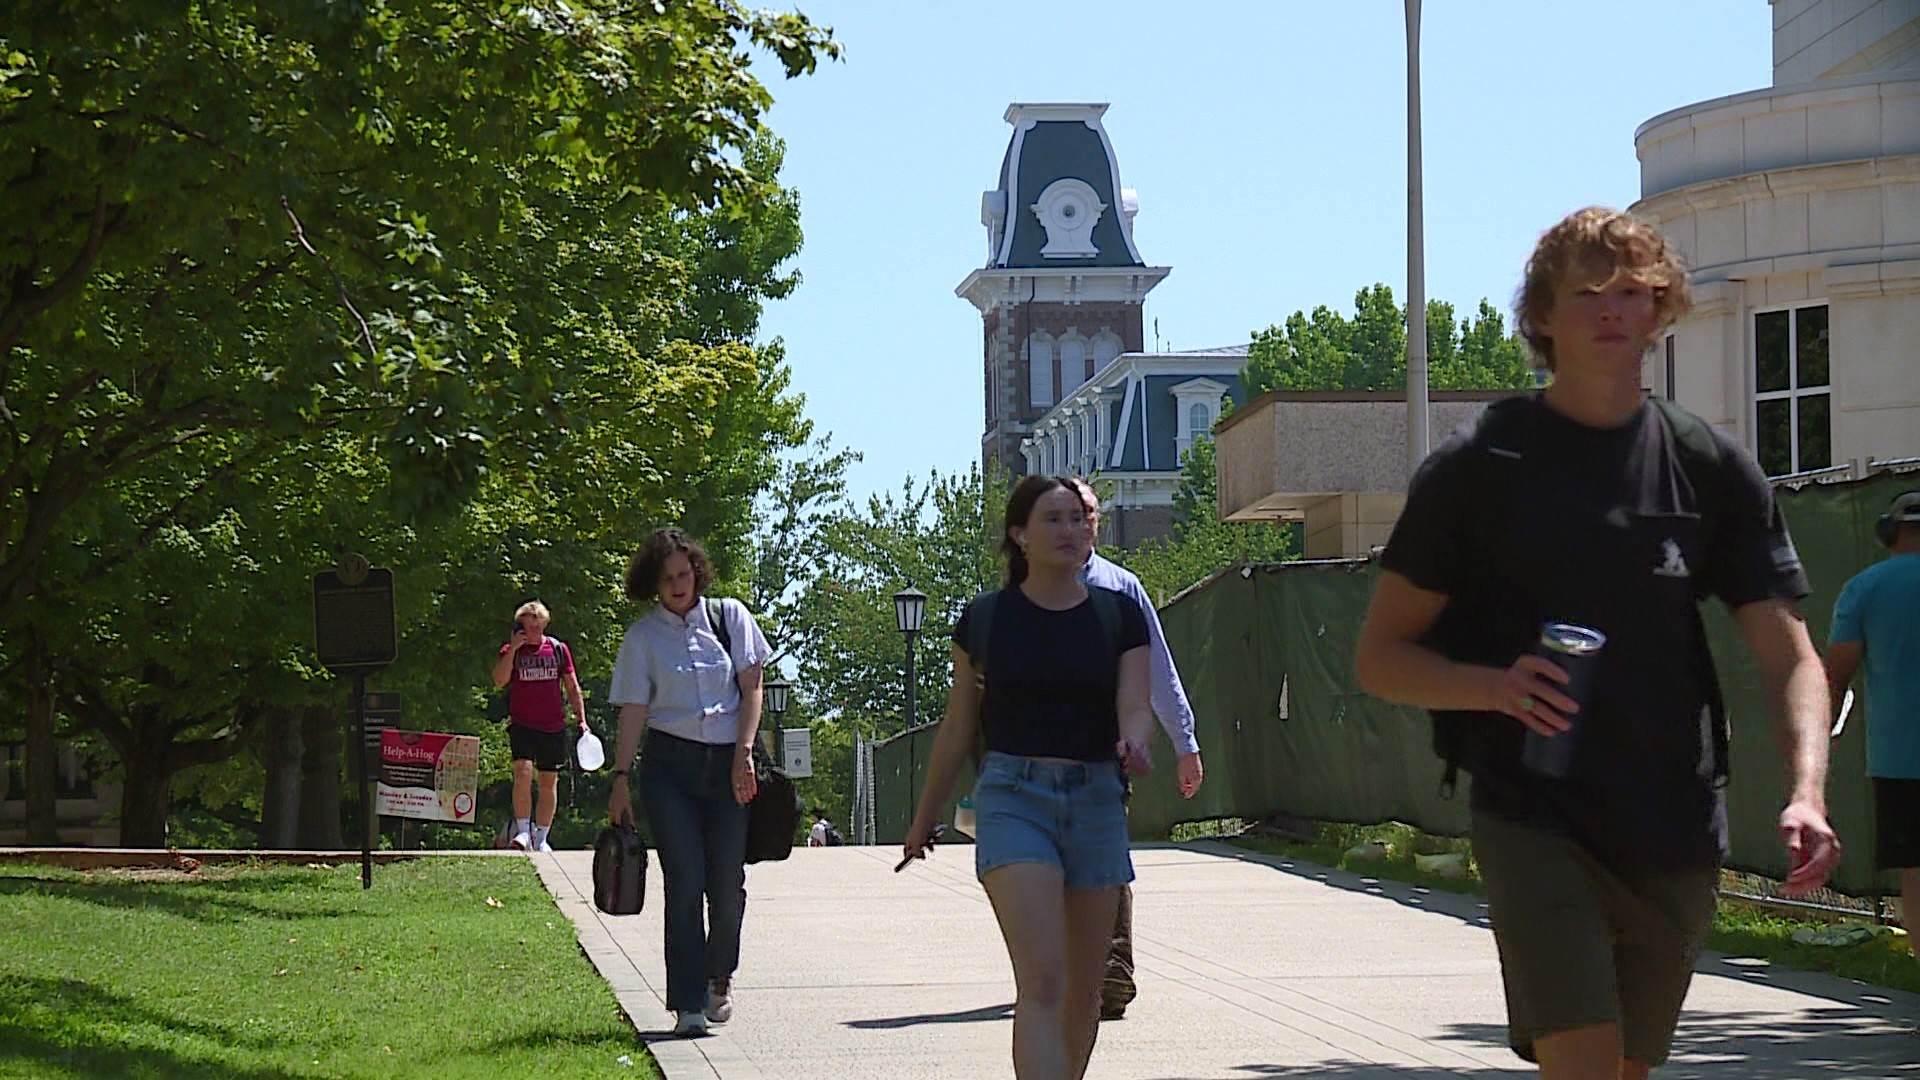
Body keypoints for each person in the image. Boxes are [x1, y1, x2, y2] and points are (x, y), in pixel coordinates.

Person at [1354, 206, 1842, 1079]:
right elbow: (1382, 658)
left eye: (1634, 292)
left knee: (1626, 1068)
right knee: (1582, 1061)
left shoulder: (1706, 464)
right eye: (1588, 293)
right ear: (1541, 316)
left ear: (1661, 309)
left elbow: (1791, 653)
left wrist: (1807, 792)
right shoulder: (1482, 465)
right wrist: (1495, 688)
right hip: (1533, 811)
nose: (1614, 310)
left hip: (1674, 819)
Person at [904, 474, 1155, 1080]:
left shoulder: (1118, 614)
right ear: (1019, 535)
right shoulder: (986, 620)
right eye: (1054, 519)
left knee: (1083, 992)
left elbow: (1136, 701)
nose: (1072, 530)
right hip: (1013, 799)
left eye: (1079, 518)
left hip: (1096, 797)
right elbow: (958, 727)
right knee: (1043, 980)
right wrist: (924, 818)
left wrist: (1135, 739)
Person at [607, 527, 772, 1038]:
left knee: (726, 884)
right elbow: (634, 710)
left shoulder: (730, 618)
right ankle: (687, 1001)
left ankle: (720, 976)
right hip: (670, 768)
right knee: (684, 882)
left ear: (696, 571)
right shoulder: (643, 639)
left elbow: (753, 687)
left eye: (684, 574)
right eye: (667, 579)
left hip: (727, 763)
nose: (679, 586)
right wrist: (620, 778)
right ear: (652, 585)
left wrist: (744, 753)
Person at [1065, 476, 1204, 1021]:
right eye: (1067, 515)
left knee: (1105, 860)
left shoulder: (1122, 590)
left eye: (1089, 515)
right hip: (1037, 759)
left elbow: (1158, 673)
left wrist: (1184, 743)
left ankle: (1113, 975)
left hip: (1104, 754)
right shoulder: (1025, 595)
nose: (1079, 526)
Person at [1823, 489, 1920, 955]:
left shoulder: (1865, 587)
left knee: (1916, 874)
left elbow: (1837, 674)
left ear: (1889, 532)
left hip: (1900, 758)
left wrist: (1819, 741)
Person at [491, 600, 589, 852]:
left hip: (552, 725)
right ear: (519, 626)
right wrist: (513, 649)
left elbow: (572, 686)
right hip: (523, 724)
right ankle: (523, 831)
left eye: (537, 626)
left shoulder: (557, 649)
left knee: (549, 781)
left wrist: (582, 721)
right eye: (527, 627)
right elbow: (499, 681)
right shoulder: (512, 651)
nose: (533, 632)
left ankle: (542, 837)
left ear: (544, 624)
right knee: (522, 773)